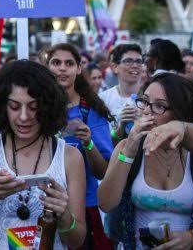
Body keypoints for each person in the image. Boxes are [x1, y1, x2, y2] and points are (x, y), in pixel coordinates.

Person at [0, 61, 86, 249]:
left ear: (48, 106)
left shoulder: (70, 157)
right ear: (2, 105)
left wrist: (64, 215)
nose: (24, 117)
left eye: (33, 107)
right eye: (14, 107)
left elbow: (76, 240)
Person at [98, 73, 193, 250]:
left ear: (180, 111)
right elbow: (106, 203)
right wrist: (128, 150)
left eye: (159, 106)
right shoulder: (128, 147)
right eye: (145, 101)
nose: (146, 111)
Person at [46, 43, 115, 250]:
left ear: (78, 69)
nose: (62, 68)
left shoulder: (90, 111)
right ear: (47, 67)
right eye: (56, 63)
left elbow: (102, 171)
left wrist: (88, 143)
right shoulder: (36, 108)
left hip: (83, 207)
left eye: (69, 63)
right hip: (42, 205)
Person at [99, 44, 143, 145]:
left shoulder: (151, 97)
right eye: (128, 61)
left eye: (139, 61)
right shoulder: (103, 99)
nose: (135, 65)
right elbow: (102, 142)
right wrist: (120, 127)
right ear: (115, 67)